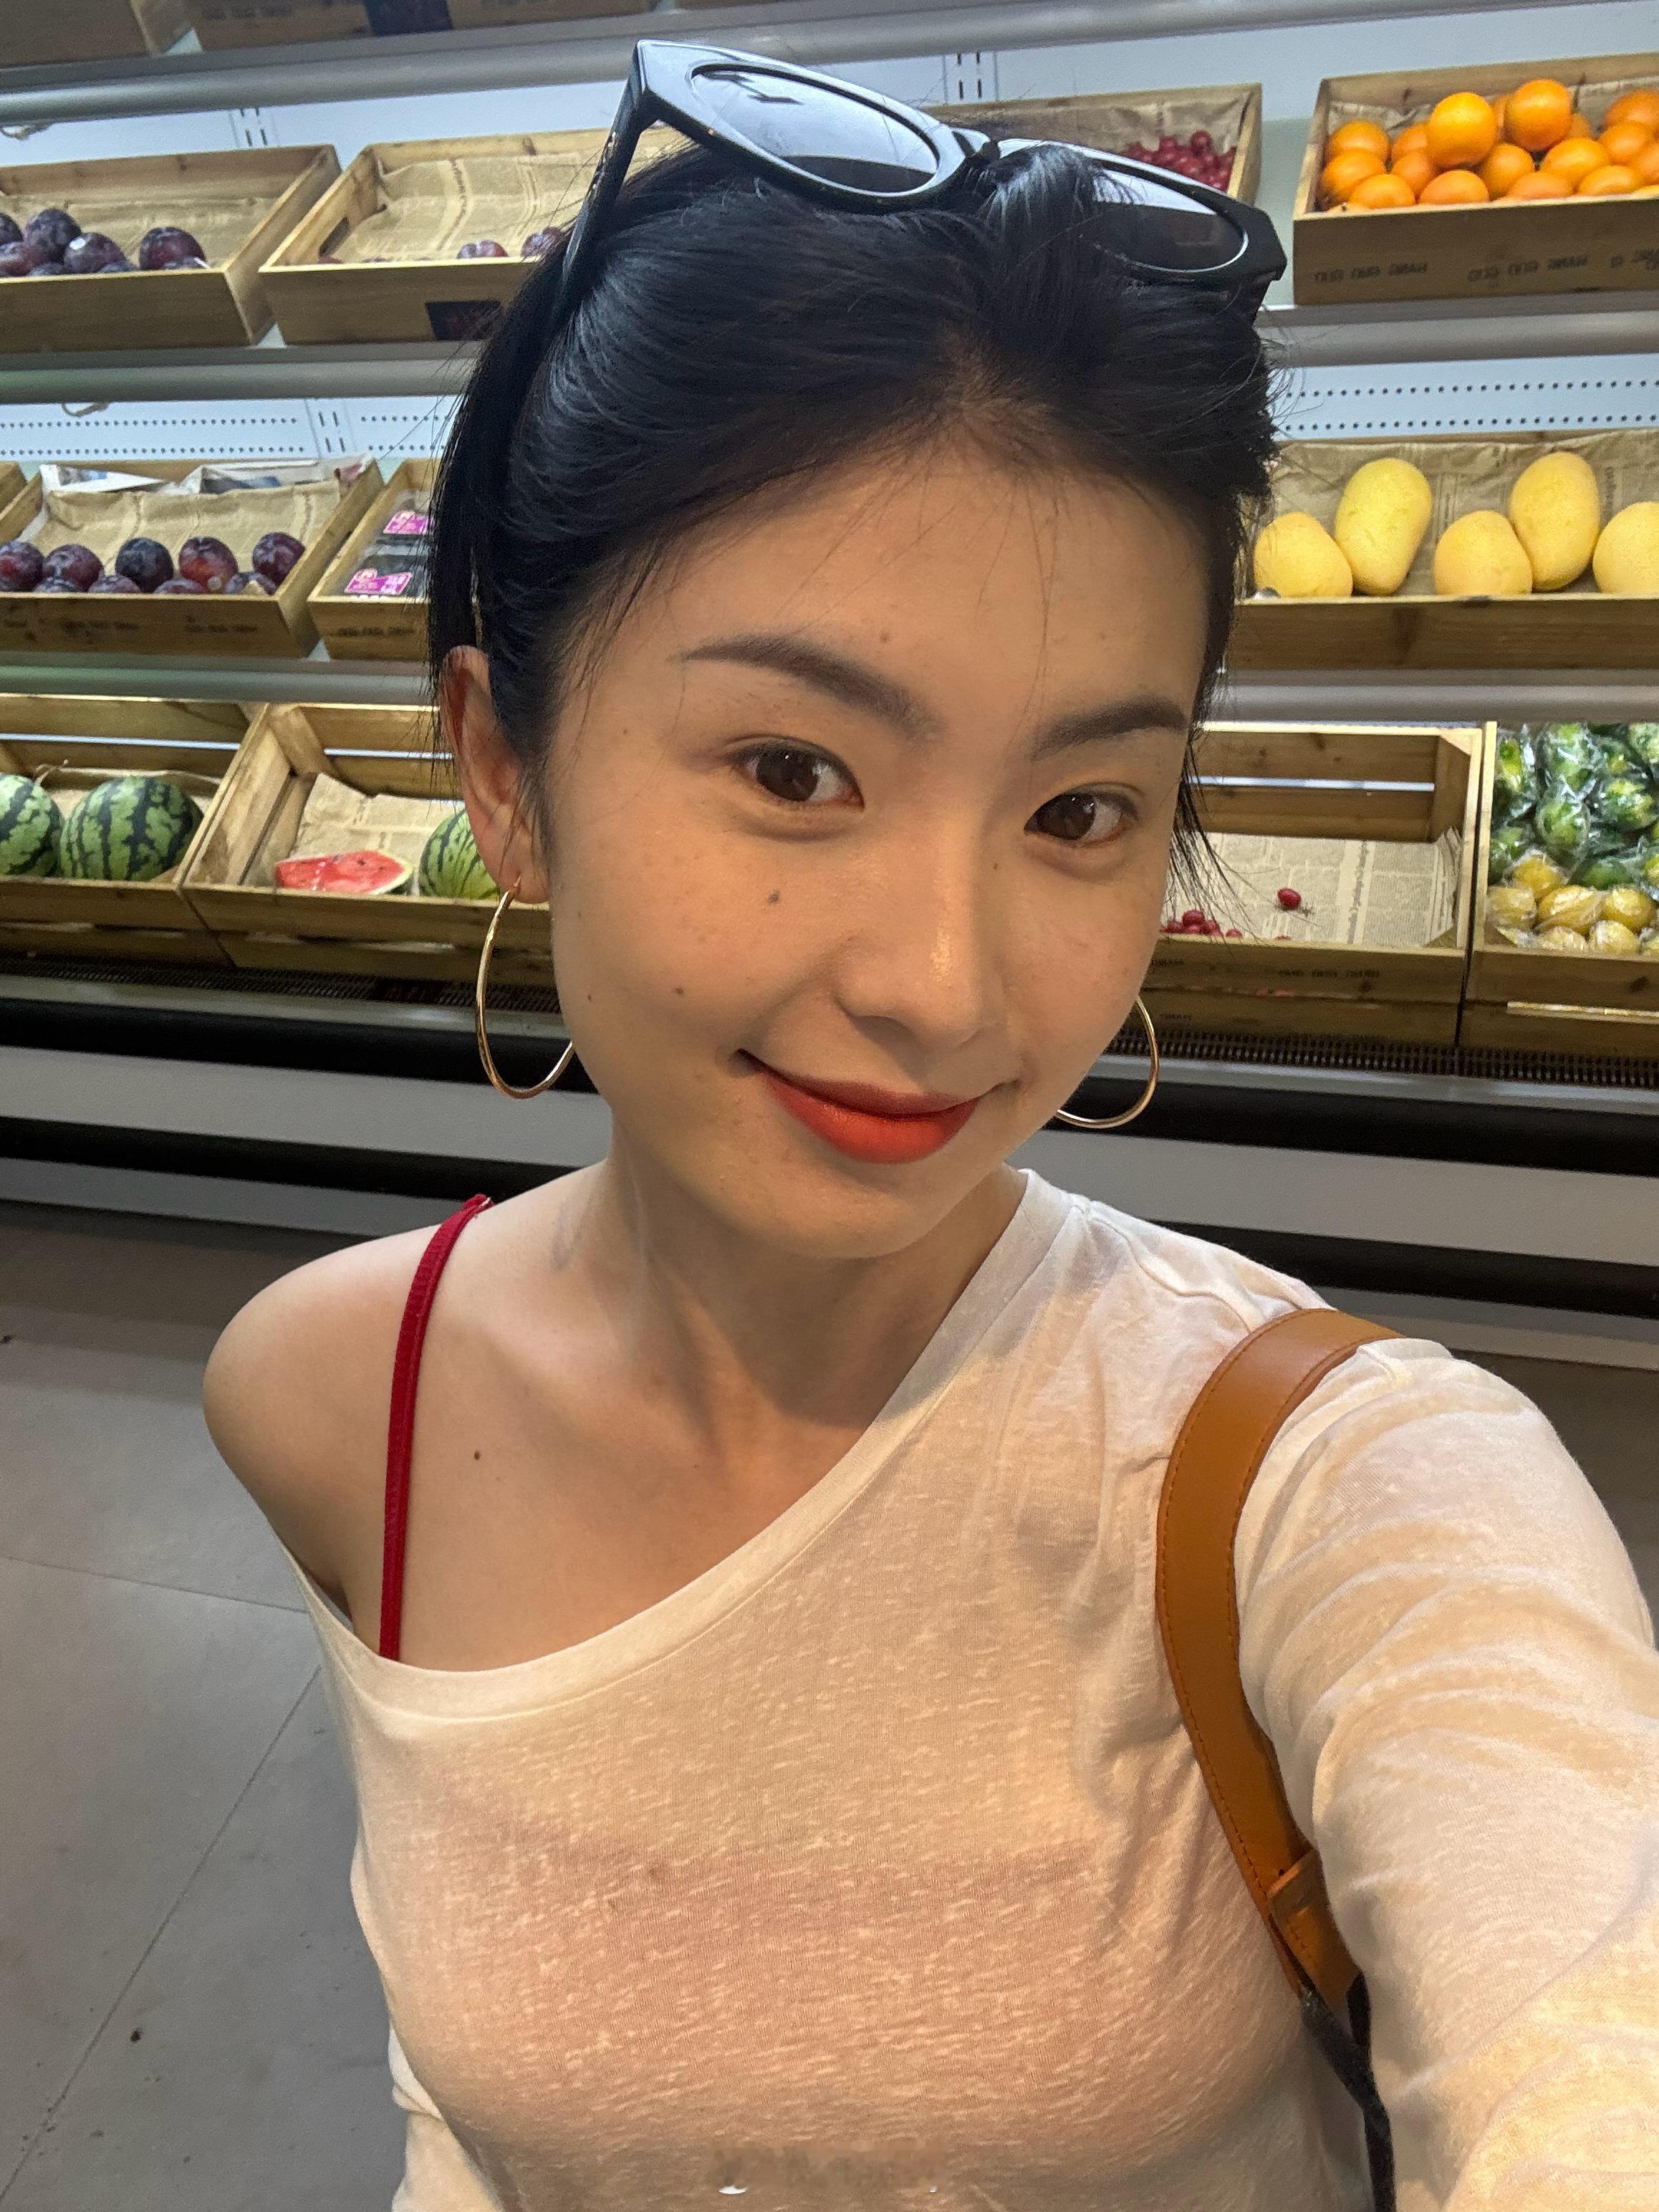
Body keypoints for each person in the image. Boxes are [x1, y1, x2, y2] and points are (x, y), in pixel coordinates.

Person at [203, 49, 1658, 2212]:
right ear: (503, 771)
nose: (952, 991)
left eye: (1078, 810)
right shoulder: (341, 1409)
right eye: (795, 773)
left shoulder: (1334, 1483)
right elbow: (485, 2097)